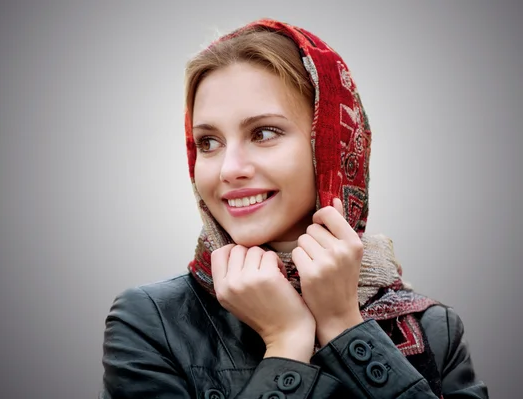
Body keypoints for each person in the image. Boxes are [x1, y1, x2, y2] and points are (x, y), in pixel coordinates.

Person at [100, 18, 489, 398]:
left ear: (330, 147)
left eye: (263, 133)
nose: (229, 169)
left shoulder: (436, 329)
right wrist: (286, 343)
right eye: (208, 142)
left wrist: (343, 325)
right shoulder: (152, 321)